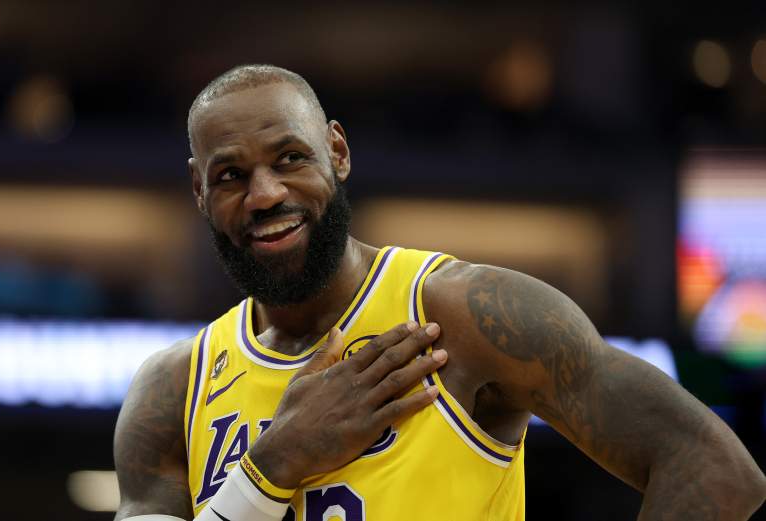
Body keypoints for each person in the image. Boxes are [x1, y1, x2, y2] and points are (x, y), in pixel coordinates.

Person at [113, 64, 766, 521]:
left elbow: (712, 466)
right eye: (232, 174)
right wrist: (273, 464)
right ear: (200, 191)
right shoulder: (173, 389)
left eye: (289, 158)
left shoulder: (462, 313)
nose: (265, 194)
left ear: (337, 152)